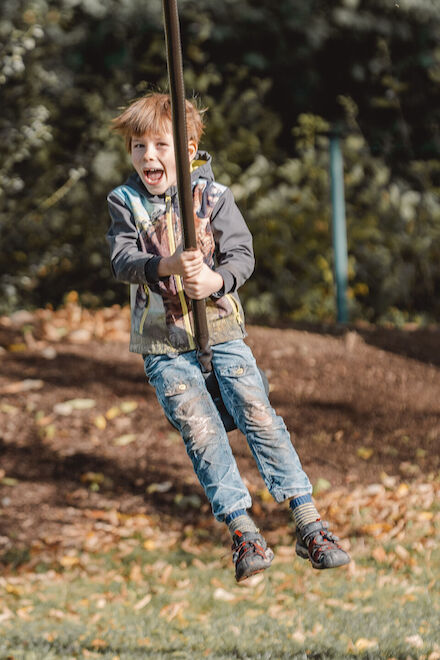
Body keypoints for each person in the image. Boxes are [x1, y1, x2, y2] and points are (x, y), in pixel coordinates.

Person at [106, 92, 350, 582]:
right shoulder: (124, 202)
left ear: (190, 147)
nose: (148, 156)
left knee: (257, 414)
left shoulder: (214, 198)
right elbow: (123, 261)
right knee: (201, 430)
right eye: (138, 146)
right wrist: (165, 265)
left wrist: (215, 281)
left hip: (222, 332)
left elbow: (242, 255)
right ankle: (243, 532)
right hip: (164, 345)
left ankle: (307, 520)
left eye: (160, 144)